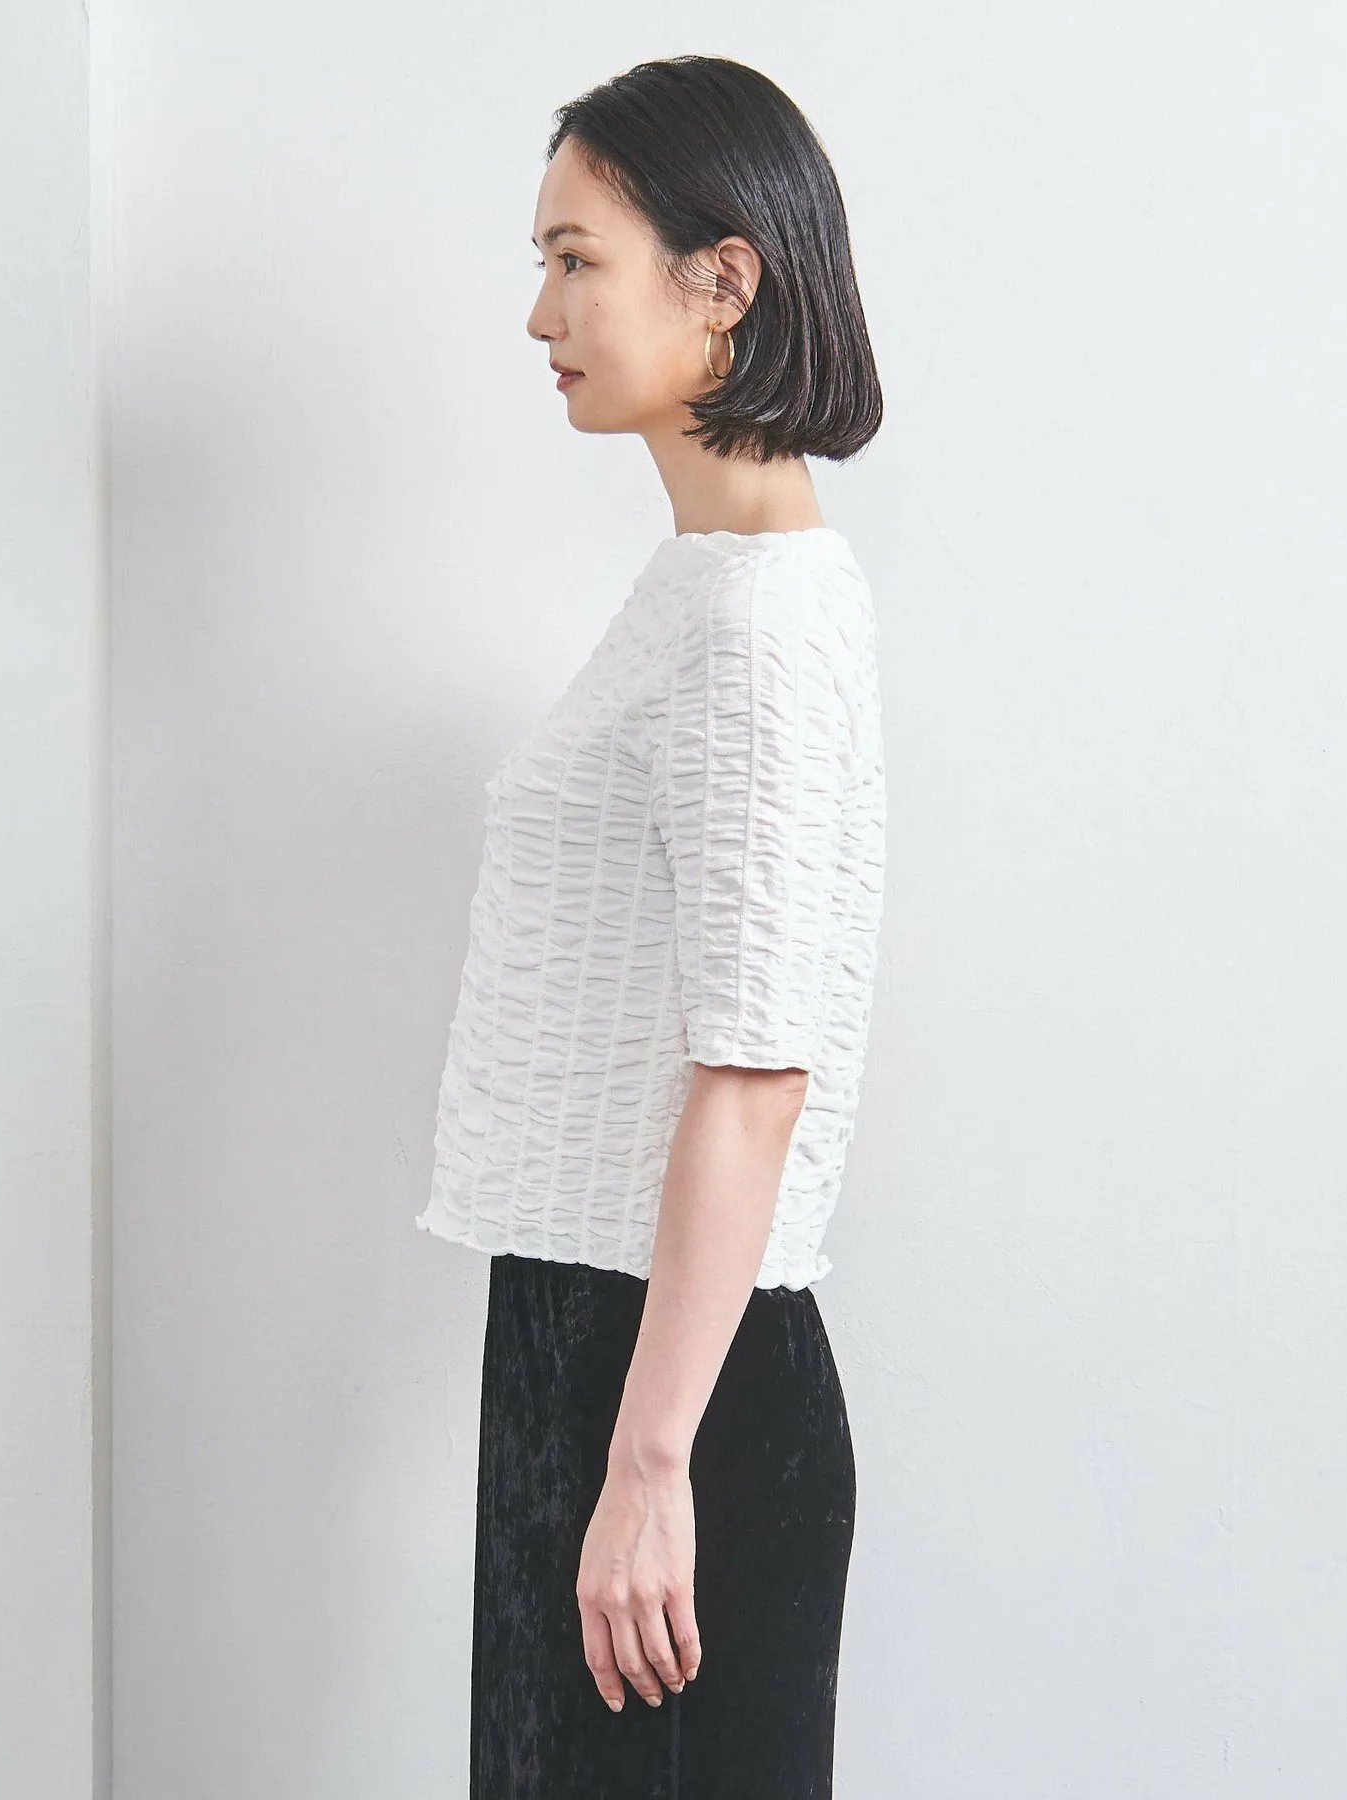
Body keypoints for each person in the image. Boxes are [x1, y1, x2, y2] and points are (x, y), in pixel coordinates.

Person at [414, 53, 887, 1798]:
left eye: (575, 259)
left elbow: (757, 1073)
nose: (540, 312)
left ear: (723, 277)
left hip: (675, 1393)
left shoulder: (760, 625)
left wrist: (646, 1465)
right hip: (600, 1353)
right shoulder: (702, 591)